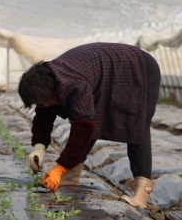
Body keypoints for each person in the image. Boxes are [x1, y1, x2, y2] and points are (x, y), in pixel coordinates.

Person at [17, 42, 161, 207]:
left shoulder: (73, 83)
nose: (45, 105)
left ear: (51, 90)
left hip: (137, 69)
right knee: (91, 120)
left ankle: (141, 194)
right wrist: (39, 147)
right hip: (107, 73)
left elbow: (83, 128)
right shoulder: (47, 83)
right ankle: (69, 179)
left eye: (45, 101)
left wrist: (59, 168)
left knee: (136, 125)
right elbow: (43, 114)